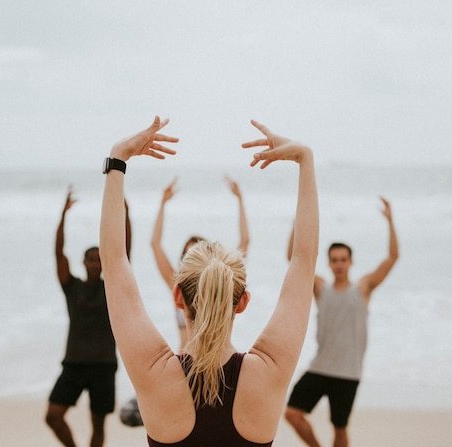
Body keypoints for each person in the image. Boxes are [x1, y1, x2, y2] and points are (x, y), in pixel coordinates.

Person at [99, 116, 319, 446]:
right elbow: (303, 261)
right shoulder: (268, 370)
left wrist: (117, 160)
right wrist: (305, 159)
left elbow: (114, 262)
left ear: (178, 296)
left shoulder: (154, 372)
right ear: (243, 301)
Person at [284, 197, 399, 447]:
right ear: (328, 263)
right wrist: (297, 222)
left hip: (348, 373)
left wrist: (390, 221)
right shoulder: (321, 289)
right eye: (334, 260)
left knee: (339, 428)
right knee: (291, 413)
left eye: (343, 260)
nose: (338, 264)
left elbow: (392, 257)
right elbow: (293, 259)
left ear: (350, 262)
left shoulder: (363, 288)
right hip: (320, 367)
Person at [45, 188, 131, 447]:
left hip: (103, 365)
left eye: (98, 260)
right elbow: (58, 254)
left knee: (98, 426)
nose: (94, 264)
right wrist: (62, 216)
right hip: (74, 364)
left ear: (104, 263)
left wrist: (125, 213)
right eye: (90, 260)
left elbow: (125, 251)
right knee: (52, 416)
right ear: (83, 263)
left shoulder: (113, 287)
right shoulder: (72, 287)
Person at [151, 175, 250, 350]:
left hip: (219, 363)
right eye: (189, 256)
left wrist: (240, 200)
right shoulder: (178, 284)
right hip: (184, 364)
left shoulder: (222, 284)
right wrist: (162, 204)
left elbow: (244, 242)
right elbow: (155, 244)